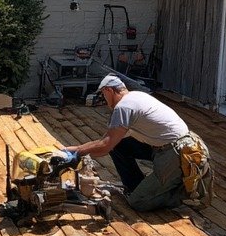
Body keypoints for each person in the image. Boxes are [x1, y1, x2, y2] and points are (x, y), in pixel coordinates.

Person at [62, 74, 208, 212]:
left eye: (103, 94)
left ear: (109, 90)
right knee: (119, 145)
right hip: (178, 144)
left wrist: (76, 152)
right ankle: (136, 187)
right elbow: (109, 139)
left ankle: (184, 193)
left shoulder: (123, 107)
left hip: (177, 154)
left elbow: (105, 146)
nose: (104, 99)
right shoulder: (137, 96)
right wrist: (78, 149)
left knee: (138, 202)